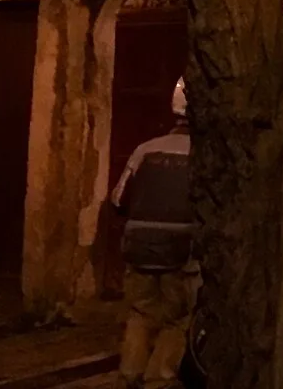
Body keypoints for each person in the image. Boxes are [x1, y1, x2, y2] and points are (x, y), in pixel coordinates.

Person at [112, 79, 195, 389]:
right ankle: (158, 378)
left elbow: (118, 199)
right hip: (179, 248)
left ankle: (129, 374)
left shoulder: (145, 150)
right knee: (177, 317)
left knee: (139, 312)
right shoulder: (204, 154)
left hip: (139, 246)